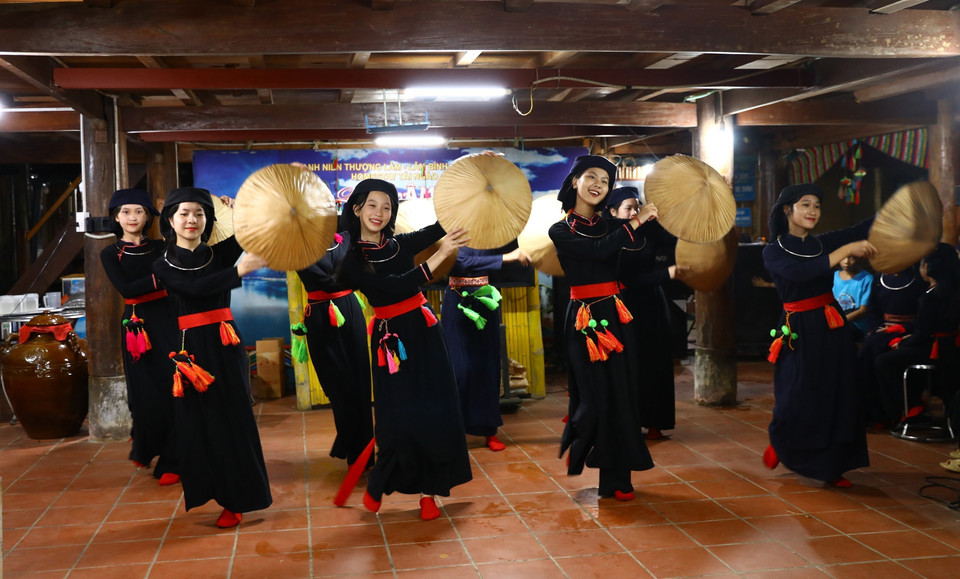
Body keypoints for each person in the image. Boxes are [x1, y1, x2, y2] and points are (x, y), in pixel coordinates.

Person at [336, 178, 472, 521]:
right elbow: (395, 287)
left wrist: (472, 179)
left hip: (425, 331)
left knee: (435, 410)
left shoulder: (401, 244)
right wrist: (441, 254)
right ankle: (381, 479)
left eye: (387, 206)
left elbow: (442, 224)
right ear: (357, 208)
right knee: (396, 416)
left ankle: (429, 494)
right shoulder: (351, 261)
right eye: (372, 205)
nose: (379, 212)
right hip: (390, 340)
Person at [153, 187, 272, 528]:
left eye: (200, 213)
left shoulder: (220, 253)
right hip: (191, 350)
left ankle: (237, 501)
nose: (192, 220)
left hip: (226, 343)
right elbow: (193, 289)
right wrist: (239, 271)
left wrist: (243, 208)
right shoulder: (161, 263)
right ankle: (212, 490)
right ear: (171, 220)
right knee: (199, 425)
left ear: (209, 221)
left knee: (234, 420)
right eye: (184, 213)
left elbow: (256, 227)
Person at [549, 156, 657, 501]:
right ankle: (580, 441)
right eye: (591, 177)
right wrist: (636, 222)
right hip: (583, 319)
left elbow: (641, 251)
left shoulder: (613, 226)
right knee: (593, 397)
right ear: (575, 181)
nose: (598, 184)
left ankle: (618, 479)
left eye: (605, 181)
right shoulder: (560, 230)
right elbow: (596, 252)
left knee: (621, 394)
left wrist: (653, 221)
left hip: (616, 314)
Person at [761, 183, 876, 488]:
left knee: (838, 391)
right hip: (798, 328)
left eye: (817, 206)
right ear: (788, 210)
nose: (813, 211)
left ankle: (832, 466)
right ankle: (783, 442)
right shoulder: (773, 250)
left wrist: (896, 210)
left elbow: (861, 228)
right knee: (796, 392)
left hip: (832, 323)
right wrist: (847, 250)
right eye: (806, 205)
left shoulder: (822, 242)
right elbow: (802, 273)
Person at [100, 188, 180, 485]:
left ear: (148, 217)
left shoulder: (162, 247)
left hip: (168, 319)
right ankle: (146, 445)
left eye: (139, 211)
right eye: (125, 212)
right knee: (145, 394)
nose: (132, 217)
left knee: (175, 389)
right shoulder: (110, 253)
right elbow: (127, 289)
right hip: (137, 326)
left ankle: (173, 460)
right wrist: (163, 276)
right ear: (116, 217)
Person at [605, 186, 684, 440]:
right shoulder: (609, 237)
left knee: (656, 362)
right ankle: (627, 424)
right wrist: (665, 274)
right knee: (629, 364)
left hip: (652, 304)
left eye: (637, 208)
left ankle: (655, 423)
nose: (634, 212)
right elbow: (625, 278)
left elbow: (677, 239)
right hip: (623, 306)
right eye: (628, 208)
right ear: (613, 212)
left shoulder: (649, 230)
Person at [295, 221, 373, 468]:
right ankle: (350, 443)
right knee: (338, 386)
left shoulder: (346, 238)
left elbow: (356, 272)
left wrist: (354, 277)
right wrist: (353, 278)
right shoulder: (296, 247)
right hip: (320, 318)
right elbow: (328, 281)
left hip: (350, 311)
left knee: (361, 382)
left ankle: (363, 454)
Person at [441, 242, 531, 452]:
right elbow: (462, 261)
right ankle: (453, 430)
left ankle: (489, 430)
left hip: (486, 300)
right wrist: (507, 257)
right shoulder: (448, 232)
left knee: (487, 367)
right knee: (459, 370)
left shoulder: (490, 233)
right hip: (457, 301)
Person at [874, 244, 960, 448]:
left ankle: (906, 408)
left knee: (884, 360)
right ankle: (915, 406)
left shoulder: (930, 297)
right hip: (951, 348)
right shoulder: (953, 291)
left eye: (922, 263)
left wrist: (902, 341)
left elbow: (922, 333)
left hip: (936, 350)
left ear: (930, 268)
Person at [857, 263, 927, 427]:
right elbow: (873, 309)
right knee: (866, 351)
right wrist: (878, 328)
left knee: (881, 354)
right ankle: (874, 412)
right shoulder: (879, 278)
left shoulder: (918, 279)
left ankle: (896, 409)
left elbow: (925, 317)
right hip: (884, 330)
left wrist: (905, 328)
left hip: (909, 331)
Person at [832, 255, 873, 339]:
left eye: (851, 258)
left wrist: (839, 321)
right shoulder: (833, 276)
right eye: (843, 257)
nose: (846, 262)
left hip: (856, 326)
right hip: (836, 321)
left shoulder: (866, 279)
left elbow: (863, 310)